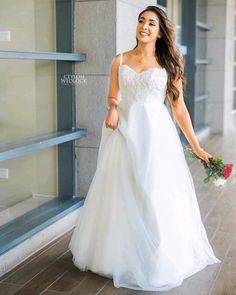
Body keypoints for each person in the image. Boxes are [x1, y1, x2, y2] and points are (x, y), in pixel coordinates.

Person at [68, 5, 221, 292]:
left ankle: (156, 256)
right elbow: (113, 94)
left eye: (151, 23)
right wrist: (112, 109)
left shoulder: (169, 65)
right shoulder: (121, 59)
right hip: (124, 132)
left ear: (160, 31)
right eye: (141, 21)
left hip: (155, 137)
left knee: (152, 192)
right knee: (125, 191)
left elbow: (179, 109)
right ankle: (122, 254)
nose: (144, 27)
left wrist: (198, 148)